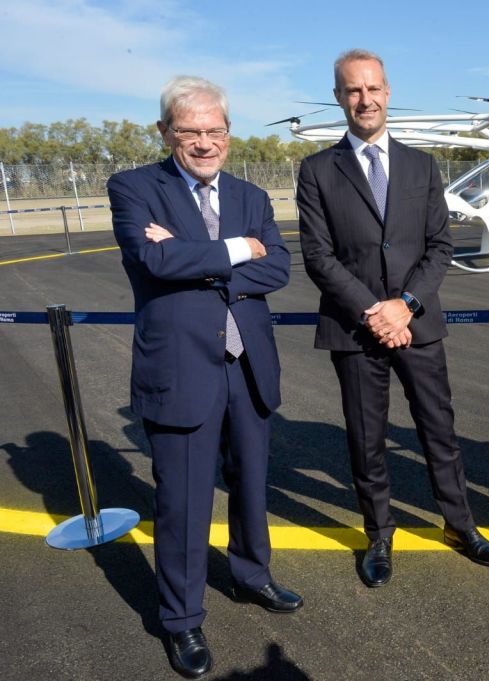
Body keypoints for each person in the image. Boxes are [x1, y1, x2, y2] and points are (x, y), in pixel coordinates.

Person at [108, 76, 302, 678]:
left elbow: (280, 269)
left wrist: (197, 256)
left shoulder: (251, 195)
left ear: (228, 133)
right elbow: (154, 260)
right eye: (189, 130)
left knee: (250, 485)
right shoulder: (134, 187)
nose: (204, 142)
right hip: (181, 369)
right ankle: (181, 619)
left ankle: (251, 575)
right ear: (165, 132)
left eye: (214, 130)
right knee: (184, 501)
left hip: (248, 364)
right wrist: (242, 249)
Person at [297, 49, 489, 589]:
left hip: (418, 322)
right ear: (339, 97)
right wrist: (374, 310)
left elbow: (440, 246)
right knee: (366, 439)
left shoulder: (421, 166)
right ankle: (379, 535)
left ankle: (460, 524)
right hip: (355, 328)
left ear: (388, 93)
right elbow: (318, 255)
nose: (364, 99)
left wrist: (404, 305)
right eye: (353, 90)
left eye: (373, 88)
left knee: (439, 430)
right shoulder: (317, 171)